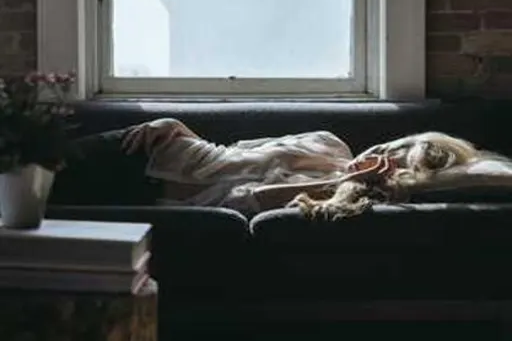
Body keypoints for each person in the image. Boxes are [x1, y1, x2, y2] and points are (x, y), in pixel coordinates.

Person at [121, 118, 489, 218]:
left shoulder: (342, 195)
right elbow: (233, 153)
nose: (380, 154)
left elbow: (247, 199)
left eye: (394, 161)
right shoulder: (328, 141)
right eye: (390, 146)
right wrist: (175, 126)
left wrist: (346, 181)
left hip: (147, 199)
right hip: (146, 149)